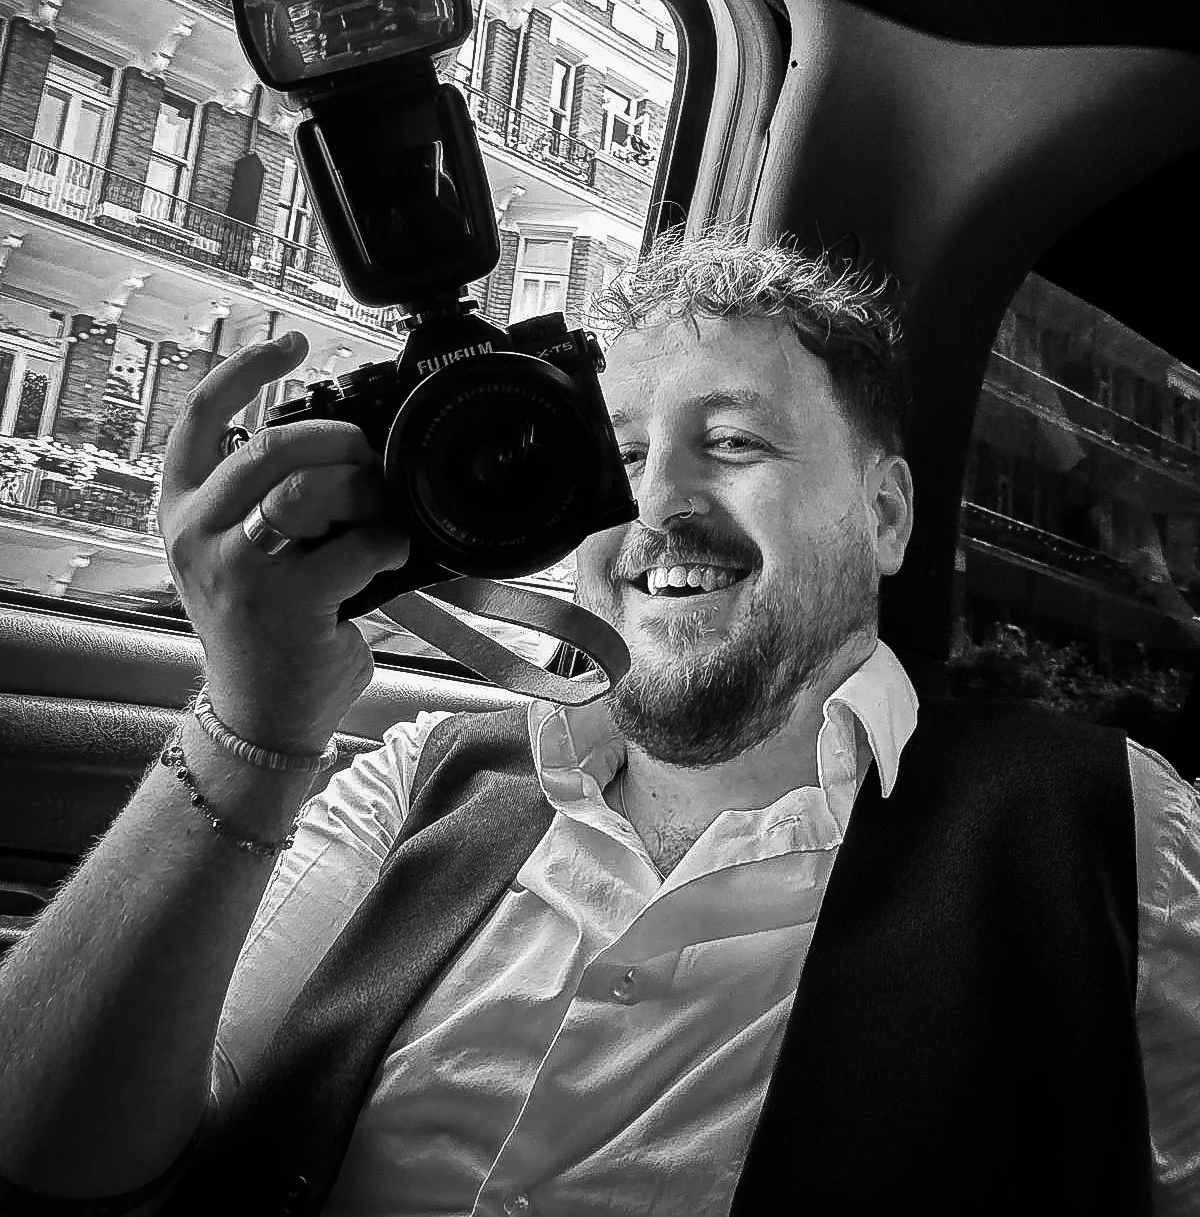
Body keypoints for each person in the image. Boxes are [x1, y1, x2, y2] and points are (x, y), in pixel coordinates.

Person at [0, 226, 1197, 1215]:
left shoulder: (1116, 828)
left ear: (886, 517)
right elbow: (54, 1157)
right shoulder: (413, 783)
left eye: (734, 443)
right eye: (614, 454)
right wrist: (253, 718)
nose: (657, 503)